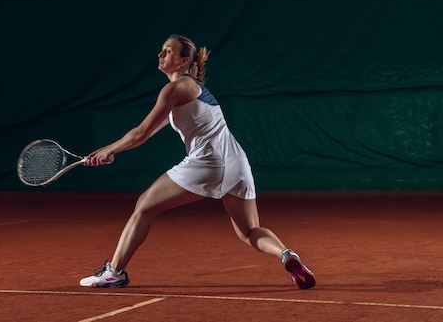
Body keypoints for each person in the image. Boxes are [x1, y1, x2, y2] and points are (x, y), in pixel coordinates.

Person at [79, 34, 316, 290]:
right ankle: (286, 255)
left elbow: (141, 133)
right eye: (161, 50)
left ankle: (114, 272)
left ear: (182, 61)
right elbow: (142, 134)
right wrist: (107, 150)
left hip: (208, 162)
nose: (160, 55)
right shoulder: (192, 90)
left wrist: (110, 150)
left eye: (167, 51)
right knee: (249, 231)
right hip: (237, 163)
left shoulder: (176, 88)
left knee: (144, 206)